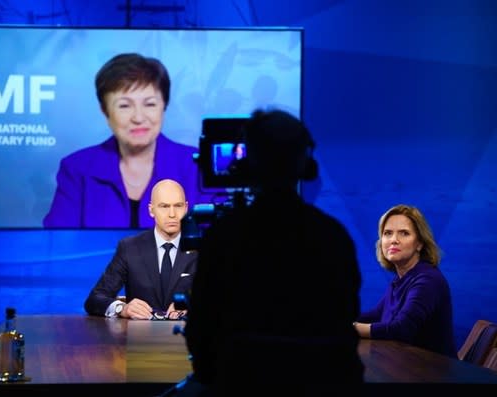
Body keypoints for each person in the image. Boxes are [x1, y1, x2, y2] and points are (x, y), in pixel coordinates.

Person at [178, 108, 365, 395]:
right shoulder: (333, 236)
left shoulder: (224, 236)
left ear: (247, 164)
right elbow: (345, 319)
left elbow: (201, 329)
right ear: (306, 164)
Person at [43, 53, 208, 228]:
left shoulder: (197, 165)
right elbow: (58, 244)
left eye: (150, 104)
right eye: (124, 106)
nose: (138, 117)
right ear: (105, 111)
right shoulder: (78, 169)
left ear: (164, 106)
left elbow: (221, 242)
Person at [353, 204, 457, 357]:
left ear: (419, 243)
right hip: (405, 367)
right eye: (387, 233)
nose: (394, 240)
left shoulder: (428, 280)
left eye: (404, 233)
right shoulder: (401, 279)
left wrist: (352, 327)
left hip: (432, 373)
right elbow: (375, 315)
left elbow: (401, 329)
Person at [84, 178, 195, 320]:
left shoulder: (203, 248)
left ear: (186, 208)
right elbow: (95, 299)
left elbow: (225, 298)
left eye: (178, 206)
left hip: (186, 337)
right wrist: (122, 308)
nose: (172, 214)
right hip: (140, 337)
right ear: (151, 210)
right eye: (164, 206)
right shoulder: (130, 248)